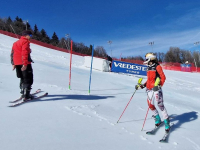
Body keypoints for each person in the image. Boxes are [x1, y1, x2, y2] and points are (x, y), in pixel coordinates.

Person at [135, 52, 170, 132]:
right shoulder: (148, 67)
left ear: (151, 58)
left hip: (156, 89)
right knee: (150, 105)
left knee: (160, 105)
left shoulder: (157, 67)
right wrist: (142, 86)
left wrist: (158, 85)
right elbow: (149, 80)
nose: (145, 60)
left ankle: (167, 122)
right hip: (149, 89)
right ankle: (157, 118)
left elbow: (163, 77)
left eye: (147, 59)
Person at [11, 30, 34, 101]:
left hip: (17, 63)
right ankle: (26, 95)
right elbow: (24, 53)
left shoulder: (15, 43)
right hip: (24, 63)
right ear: (26, 35)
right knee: (28, 78)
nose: (31, 37)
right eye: (30, 35)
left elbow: (12, 53)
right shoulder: (25, 42)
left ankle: (22, 92)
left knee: (22, 77)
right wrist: (25, 64)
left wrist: (13, 64)